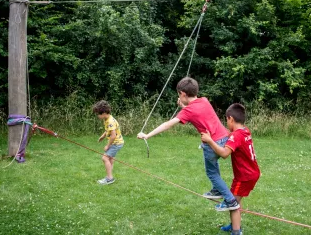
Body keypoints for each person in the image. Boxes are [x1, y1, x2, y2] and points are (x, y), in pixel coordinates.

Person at [137, 77, 240, 210]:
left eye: (179, 94)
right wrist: (184, 106)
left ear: (183, 94)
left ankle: (230, 200)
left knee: (212, 173)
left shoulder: (188, 111)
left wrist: (147, 135)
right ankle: (216, 190)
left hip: (211, 142)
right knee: (214, 167)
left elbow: (168, 124)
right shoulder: (204, 100)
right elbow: (196, 111)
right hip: (224, 138)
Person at [201, 103, 261, 235]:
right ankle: (234, 225)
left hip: (244, 177)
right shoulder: (245, 130)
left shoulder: (236, 136)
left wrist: (210, 141)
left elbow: (224, 154)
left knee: (232, 203)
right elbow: (232, 136)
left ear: (231, 119)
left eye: (226, 120)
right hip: (251, 173)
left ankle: (236, 231)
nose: (226, 122)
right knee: (234, 201)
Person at [93, 100, 124, 185]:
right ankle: (109, 176)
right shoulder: (107, 119)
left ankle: (109, 178)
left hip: (116, 143)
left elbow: (113, 136)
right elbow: (108, 130)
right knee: (110, 158)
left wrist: (107, 145)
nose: (98, 116)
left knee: (105, 158)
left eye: (98, 114)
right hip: (117, 142)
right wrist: (103, 136)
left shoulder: (110, 121)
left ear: (103, 113)